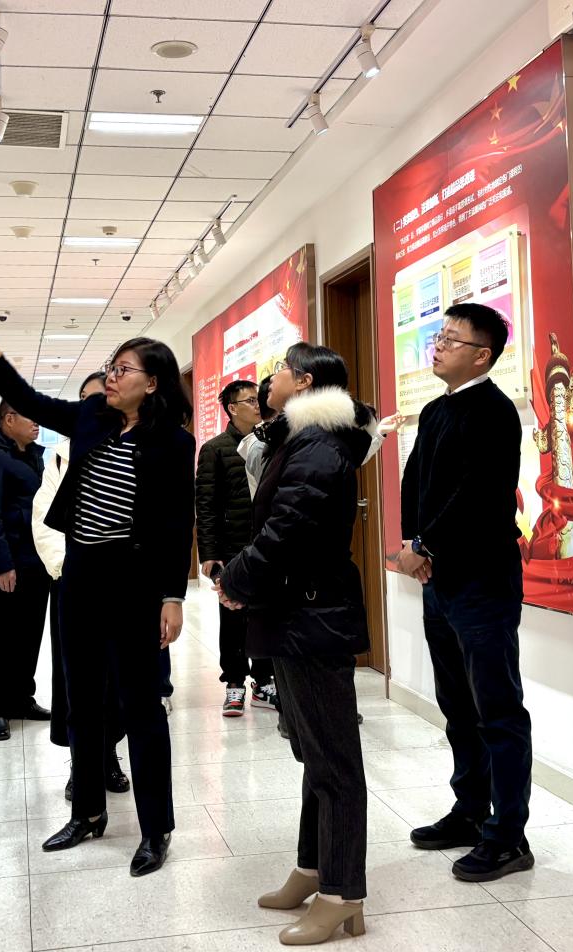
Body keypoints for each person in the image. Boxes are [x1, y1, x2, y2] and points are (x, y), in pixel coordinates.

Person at [0, 295, 194, 878]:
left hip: (134, 583)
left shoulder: (172, 442)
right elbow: (33, 400)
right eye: (111, 367)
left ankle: (156, 827)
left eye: (123, 370)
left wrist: (173, 596)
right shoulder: (91, 417)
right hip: (81, 578)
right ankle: (87, 812)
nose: (111, 377)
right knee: (81, 701)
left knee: (141, 706)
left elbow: (174, 524)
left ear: (152, 383)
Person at [217, 342, 376, 945]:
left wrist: (237, 580)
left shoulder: (318, 445)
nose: (270, 379)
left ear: (304, 381)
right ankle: (314, 869)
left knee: (334, 763)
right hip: (296, 614)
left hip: (312, 618)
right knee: (315, 756)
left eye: (280, 369)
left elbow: (286, 531)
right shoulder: (302, 439)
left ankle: (343, 893)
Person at [395, 302, 534, 884]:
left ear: (482, 355)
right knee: (457, 705)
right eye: (439, 336)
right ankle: (471, 809)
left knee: (497, 709)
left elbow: (478, 496)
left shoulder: (495, 412)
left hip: (482, 581)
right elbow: (415, 481)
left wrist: (425, 544)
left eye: (452, 339)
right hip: (441, 580)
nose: (438, 346)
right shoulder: (435, 409)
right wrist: (413, 541)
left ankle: (509, 835)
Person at [32, 370, 130, 802]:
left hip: (120, 586)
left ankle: (108, 756)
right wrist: (65, 568)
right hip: (72, 583)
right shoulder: (61, 456)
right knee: (76, 682)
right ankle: (81, 765)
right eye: (87, 400)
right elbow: (44, 519)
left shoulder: (131, 447)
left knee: (115, 678)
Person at [0, 401, 51, 741]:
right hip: (11, 563)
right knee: (4, 636)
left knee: (30, 634)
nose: (37, 422)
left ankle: (21, 698)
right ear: (9, 419)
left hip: (38, 561)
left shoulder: (31, 454)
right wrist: (1, 565)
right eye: (31, 416)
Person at [197, 379, 276, 717]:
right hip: (231, 548)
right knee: (232, 616)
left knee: (265, 613)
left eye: (258, 399)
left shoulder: (270, 442)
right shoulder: (215, 449)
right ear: (232, 408)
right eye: (250, 401)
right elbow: (206, 505)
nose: (258, 405)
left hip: (265, 546)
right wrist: (209, 553)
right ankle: (233, 683)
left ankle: (264, 681)